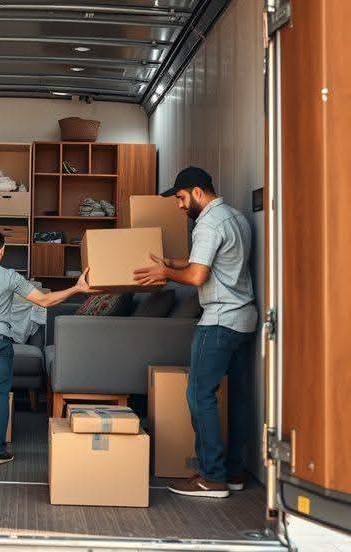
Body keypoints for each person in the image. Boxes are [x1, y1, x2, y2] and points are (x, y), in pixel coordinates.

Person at [133, 166, 257, 498]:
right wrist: (172, 263)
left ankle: (211, 477)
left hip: (218, 320)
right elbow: (208, 263)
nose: (179, 205)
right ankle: (233, 472)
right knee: (238, 398)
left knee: (199, 395)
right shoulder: (236, 218)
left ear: (197, 192)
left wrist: (164, 273)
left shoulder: (208, 223)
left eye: (180, 198)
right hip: (244, 319)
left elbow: (197, 277)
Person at [0, 230, 94, 465]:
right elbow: (45, 300)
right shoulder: (10, 276)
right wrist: (76, 288)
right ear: (2, 251)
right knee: (0, 394)